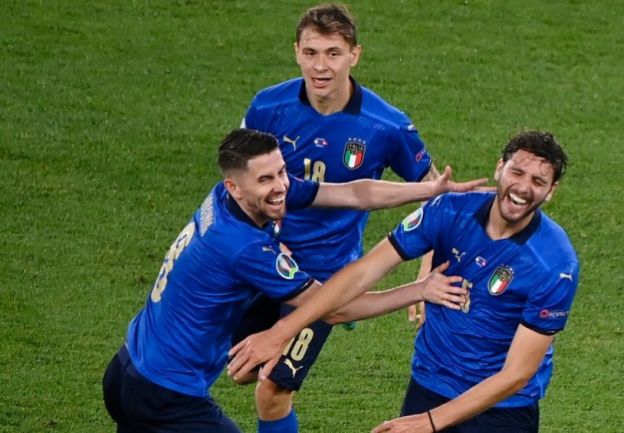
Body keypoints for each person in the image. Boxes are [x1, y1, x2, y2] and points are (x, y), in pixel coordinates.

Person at [102, 128, 483, 433]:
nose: (281, 185)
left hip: (127, 367)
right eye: (266, 178)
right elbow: (335, 308)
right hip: (165, 394)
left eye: (281, 171)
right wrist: (419, 289)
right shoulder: (243, 247)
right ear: (235, 185)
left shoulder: (228, 198)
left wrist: (430, 191)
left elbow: (351, 192)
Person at [227, 131, 580, 433]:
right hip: (429, 384)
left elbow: (517, 374)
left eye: (538, 181)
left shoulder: (554, 264)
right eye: (517, 172)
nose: (523, 187)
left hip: (503, 412)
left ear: (551, 191)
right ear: (499, 168)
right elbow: (364, 272)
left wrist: (429, 422)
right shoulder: (449, 211)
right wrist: (279, 332)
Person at [238, 3, 439, 430]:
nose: (321, 66)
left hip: (323, 278)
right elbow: (238, 182)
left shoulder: (386, 126)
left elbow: (435, 194)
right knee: (228, 366)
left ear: (355, 55)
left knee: (272, 391)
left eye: (332, 53)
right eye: (311, 53)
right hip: (257, 260)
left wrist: (429, 260)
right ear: (296, 52)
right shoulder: (267, 107)